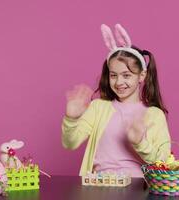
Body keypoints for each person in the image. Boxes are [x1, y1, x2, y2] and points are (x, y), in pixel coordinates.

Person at [62, 24, 171, 177]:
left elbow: (162, 163)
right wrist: (71, 119)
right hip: (99, 187)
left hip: (137, 188)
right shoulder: (98, 107)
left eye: (126, 75)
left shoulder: (154, 114)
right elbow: (70, 143)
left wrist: (140, 143)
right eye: (114, 75)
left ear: (142, 76)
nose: (119, 82)